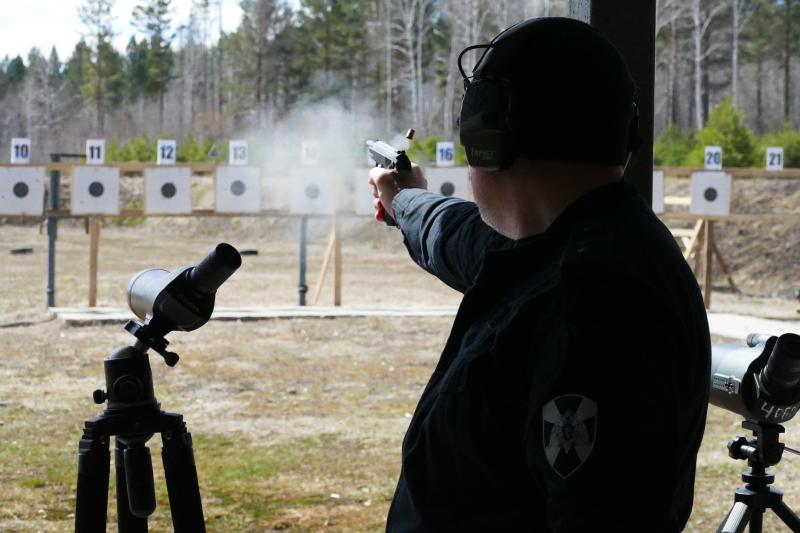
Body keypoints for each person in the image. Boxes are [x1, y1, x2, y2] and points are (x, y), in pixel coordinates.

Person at [367, 17, 711, 533]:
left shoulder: (591, 303)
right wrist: (404, 200)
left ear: (488, 139)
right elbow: (450, 233)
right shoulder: (574, 243)